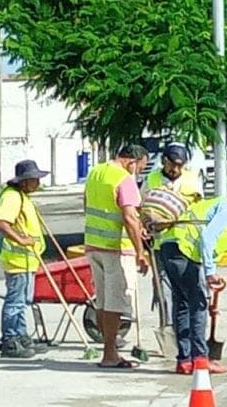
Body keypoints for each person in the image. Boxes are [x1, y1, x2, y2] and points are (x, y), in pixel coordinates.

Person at [158, 192, 227, 375]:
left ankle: (184, 360)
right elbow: (207, 237)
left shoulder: (213, 204)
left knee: (182, 304)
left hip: (168, 248)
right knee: (198, 305)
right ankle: (200, 358)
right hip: (183, 251)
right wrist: (210, 273)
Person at [84, 144, 151, 369]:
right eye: (140, 168)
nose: (138, 173)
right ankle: (110, 354)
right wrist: (140, 252)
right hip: (115, 248)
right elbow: (130, 218)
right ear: (132, 161)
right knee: (114, 302)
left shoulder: (96, 172)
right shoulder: (124, 179)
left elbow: (87, 204)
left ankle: (109, 350)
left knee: (102, 302)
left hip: (93, 245)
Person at [141, 143, 204, 327]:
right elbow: (140, 206)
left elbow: (200, 209)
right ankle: (168, 328)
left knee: (191, 290)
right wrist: (144, 225)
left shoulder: (192, 179)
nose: (175, 169)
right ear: (164, 161)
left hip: (186, 246)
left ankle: (189, 331)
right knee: (164, 290)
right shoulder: (152, 178)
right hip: (160, 244)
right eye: (172, 164)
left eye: (180, 165)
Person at [0, 159, 50, 359]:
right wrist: (21, 239)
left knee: (23, 301)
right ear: (24, 181)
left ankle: (21, 335)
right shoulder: (12, 197)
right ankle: (10, 340)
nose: (38, 183)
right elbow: (1, 222)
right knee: (15, 302)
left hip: (27, 261)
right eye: (35, 179)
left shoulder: (22, 196)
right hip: (17, 260)